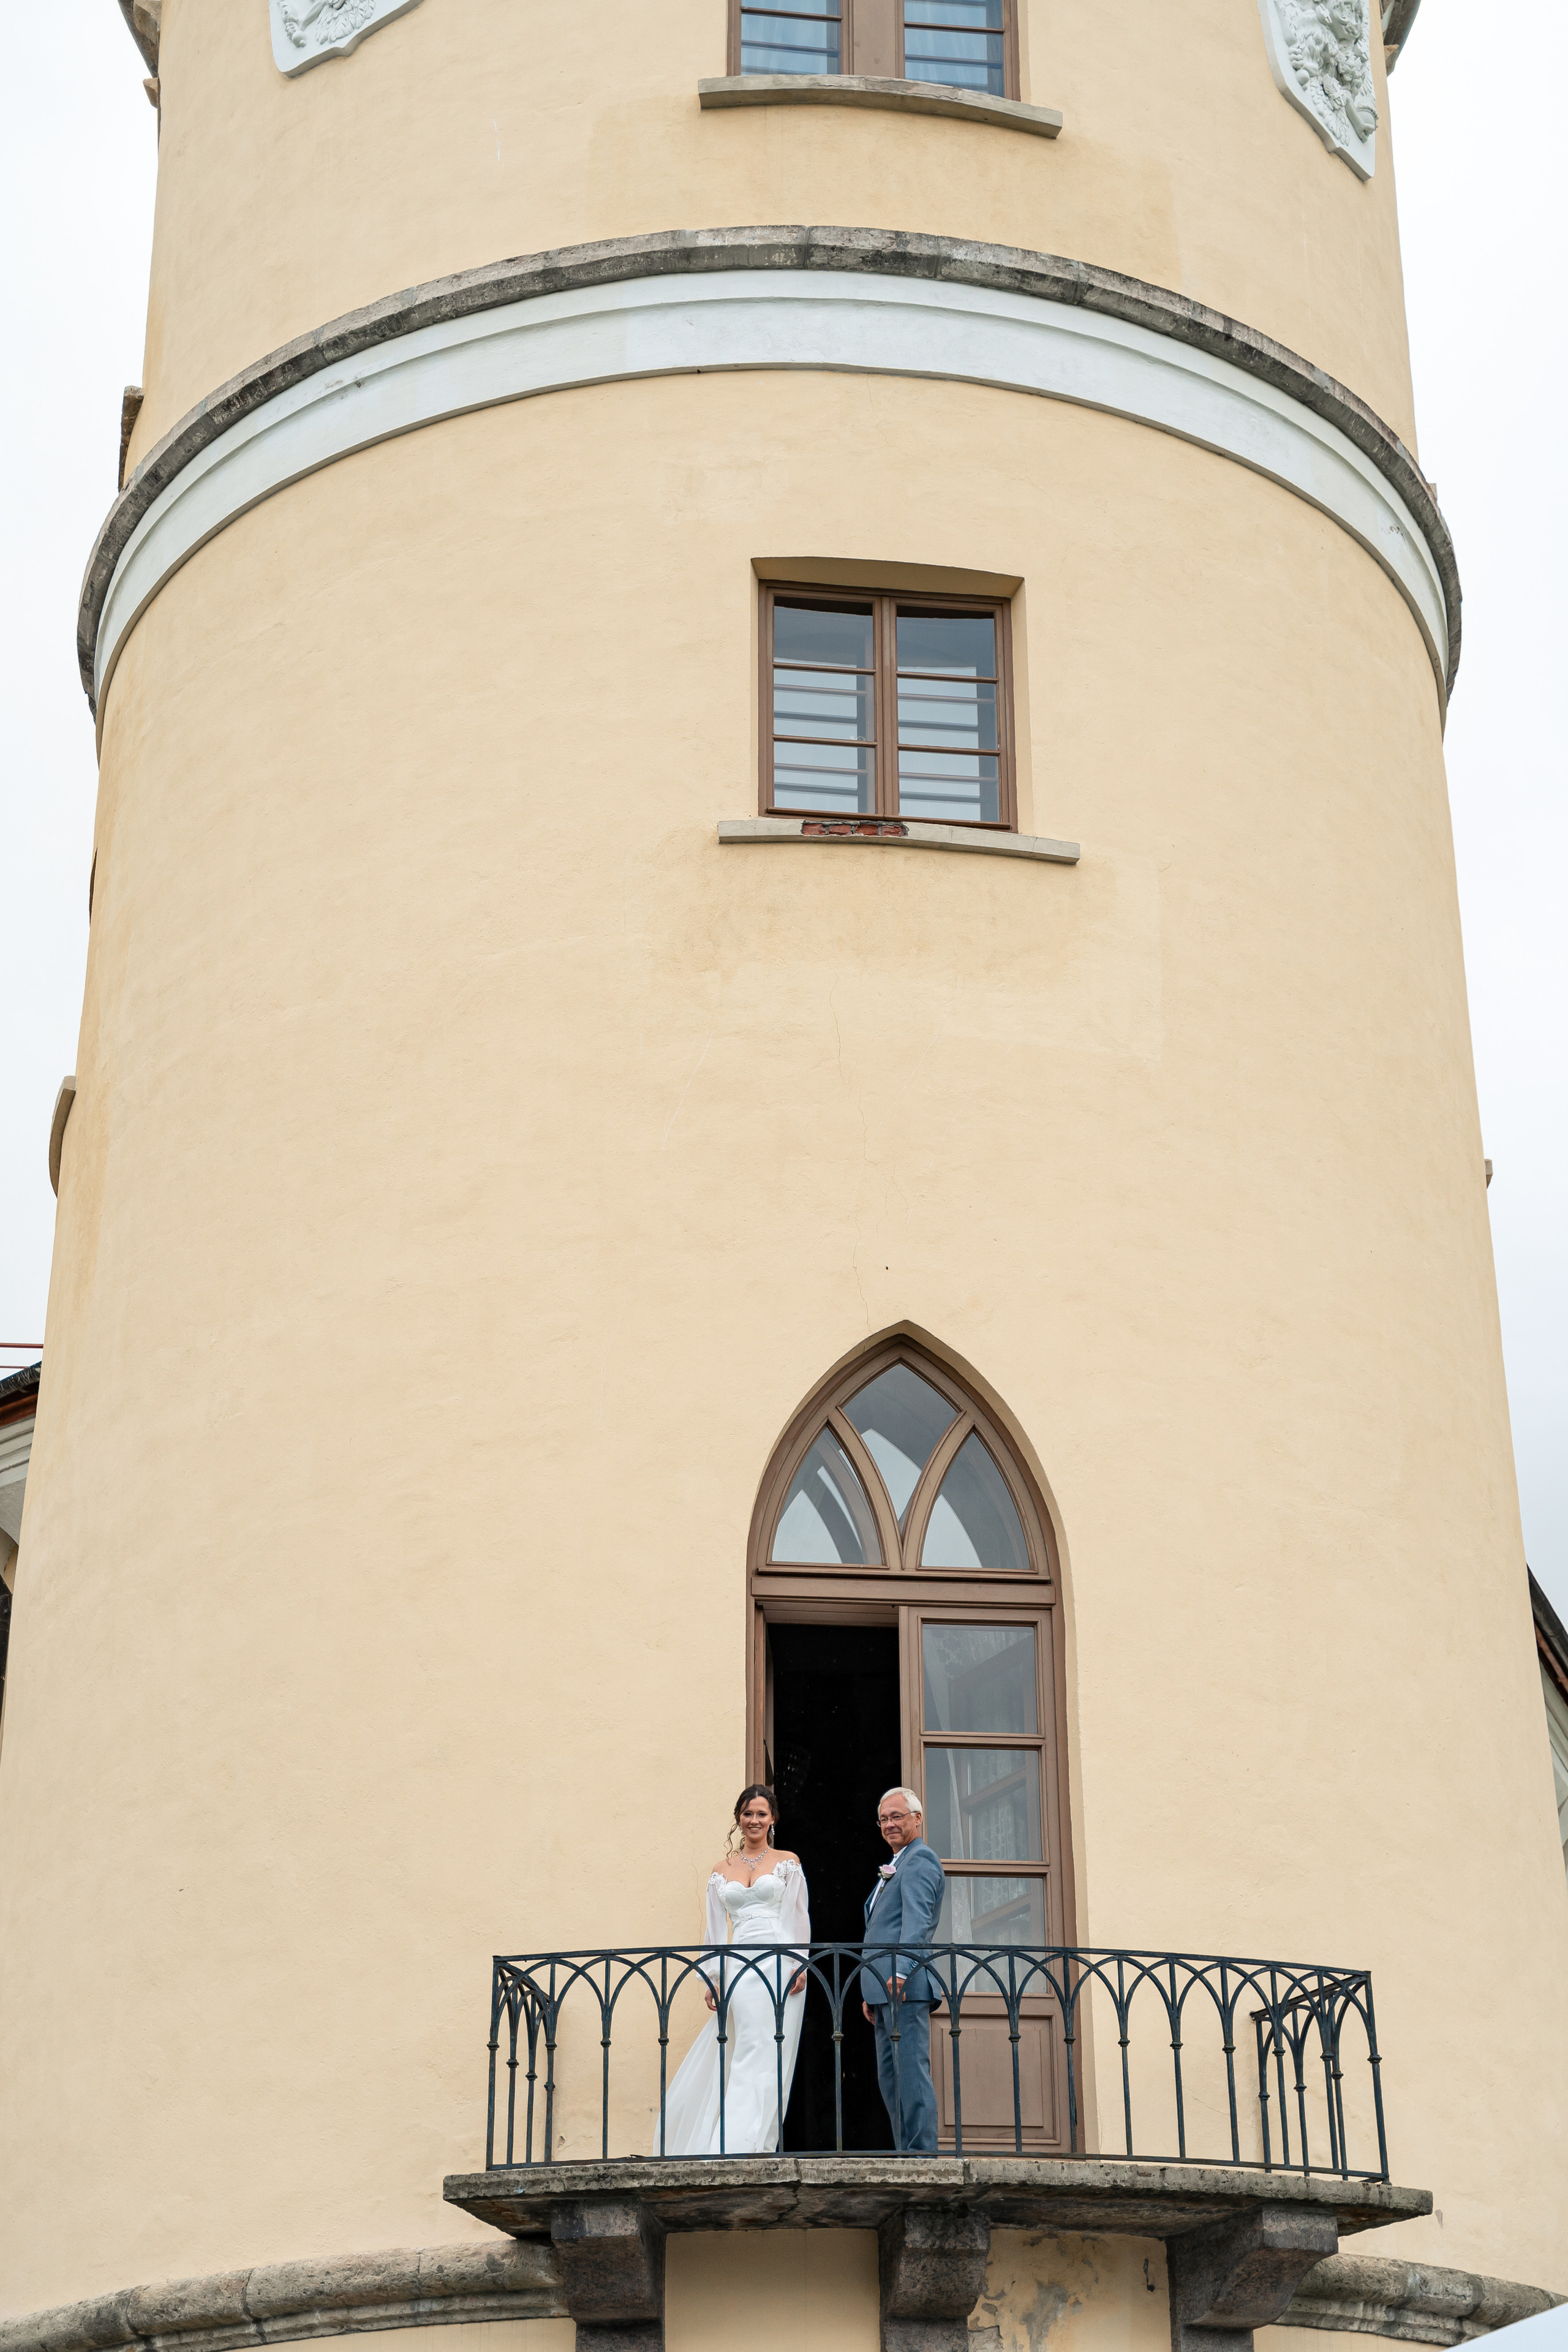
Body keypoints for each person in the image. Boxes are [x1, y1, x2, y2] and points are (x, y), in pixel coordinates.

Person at [662, 1785, 811, 2154]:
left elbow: (798, 1917)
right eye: (748, 1814)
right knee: (744, 2045)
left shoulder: (787, 1861)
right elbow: (715, 1932)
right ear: (738, 1819)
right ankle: (729, 2143)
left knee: (769, 2049)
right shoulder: (720, 1870)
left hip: (779, 1964)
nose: (754, 1820)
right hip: (739, 1965)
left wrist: (799, 1963)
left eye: (761, 1814)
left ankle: (752, 2142)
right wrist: (713, 1979)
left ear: (772, 1818)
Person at [860, 1785, 945, 2152]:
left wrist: (902, 1971)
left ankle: (923, 2156)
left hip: (904, 1984)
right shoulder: (897, 1864)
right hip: (884, 1988)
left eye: (897, 1816)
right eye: (883, 1819)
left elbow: (918, 1923)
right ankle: (904, 2152)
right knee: (891, 2077)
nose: (890, 1824)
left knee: (910, 2071)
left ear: (918, 1819)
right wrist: (873, 1987)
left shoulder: (920, 1860)